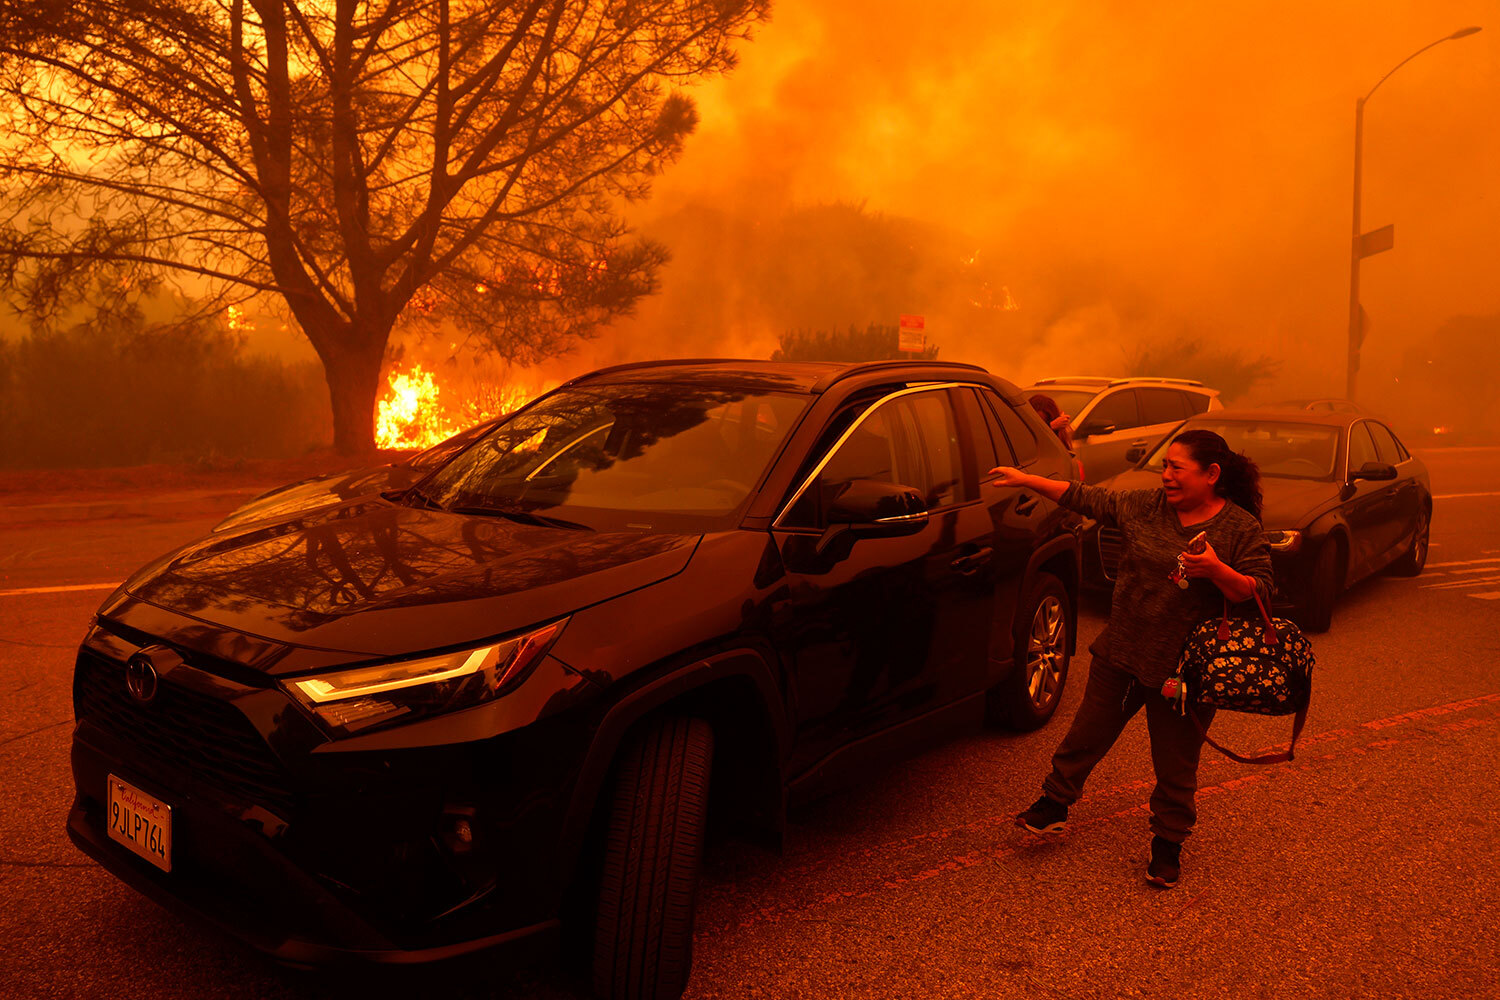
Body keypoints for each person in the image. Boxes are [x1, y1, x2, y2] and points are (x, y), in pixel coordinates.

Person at [988, 428, 1273, 888]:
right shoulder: (1145, 507)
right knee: (1085, 736)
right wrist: (1027, 480)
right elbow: (1087, 498)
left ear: (1212, 474)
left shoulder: (1239, 528)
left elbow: (1261, 592)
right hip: (1122, 652)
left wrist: (1217, 570)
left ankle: (1167, 846)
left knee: (1176, 765)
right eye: (1164, 466)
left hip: (1185, 674)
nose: (1166, 476)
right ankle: (1053, 806)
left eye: (1176, 467)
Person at [1027, 393, 1084, 481]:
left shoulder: (1059, 439)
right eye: (1038, 424)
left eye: (1044, 423)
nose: (1041, 427)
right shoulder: (1022, 438)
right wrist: (1050, 428)